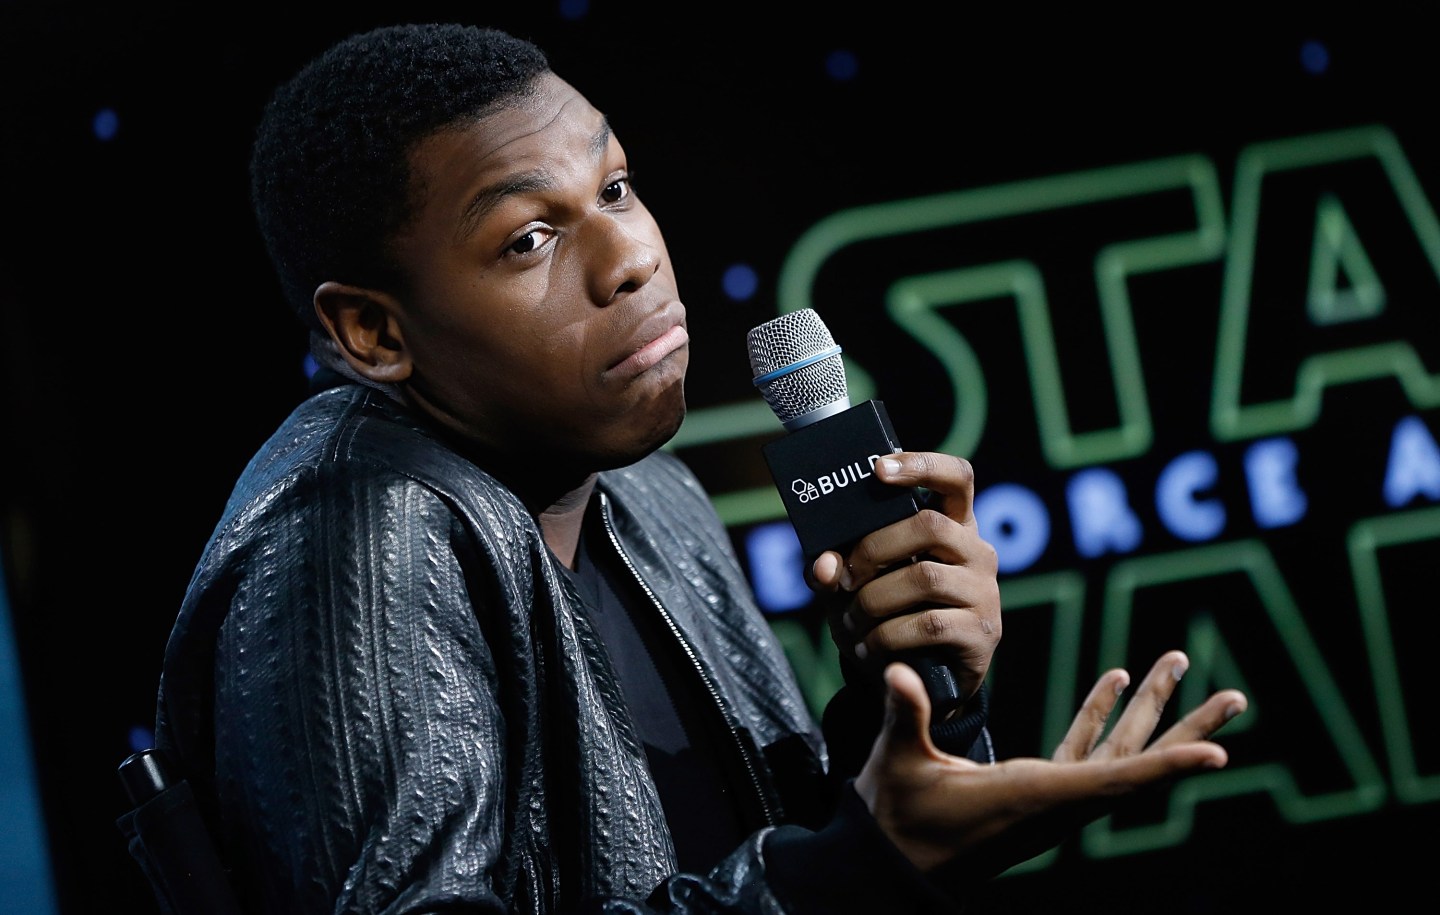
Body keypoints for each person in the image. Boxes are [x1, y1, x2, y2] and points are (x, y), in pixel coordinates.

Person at [149, 21, 1248, 914]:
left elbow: (756, 848)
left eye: (616, 187)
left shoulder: (647, 491)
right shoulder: (358, 541)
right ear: (375, 333)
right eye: (529, 239)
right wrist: (853, 871)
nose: (631, 258)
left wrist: (911, 709)